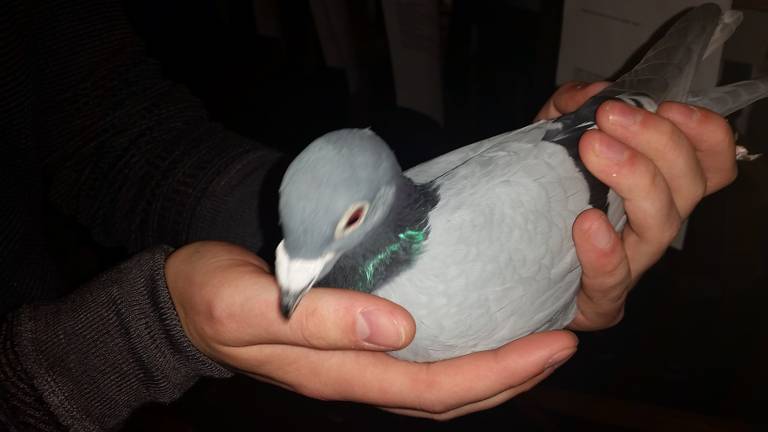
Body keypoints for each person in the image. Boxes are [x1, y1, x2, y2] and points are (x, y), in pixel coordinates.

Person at [0, 0, 738, 430]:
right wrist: (146, 335)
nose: (297, 259)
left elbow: (112, 137)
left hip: (563, 168)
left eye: (341, 222)